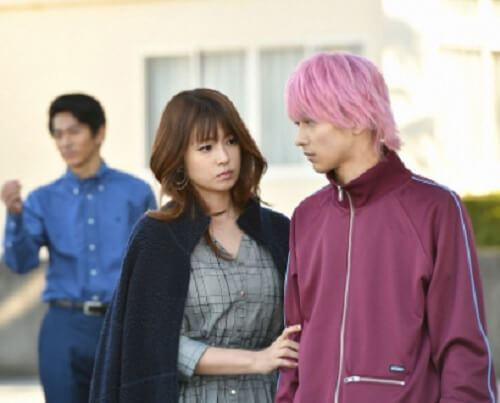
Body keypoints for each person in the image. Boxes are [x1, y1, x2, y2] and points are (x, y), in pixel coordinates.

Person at [275, 53, 497, 403]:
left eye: (310, 122)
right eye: (297, 124)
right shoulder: (306, 216)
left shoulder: (434, 210)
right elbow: (294, 346)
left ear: (355, 118)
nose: (299, 139)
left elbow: (463, 348)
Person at [89, 88, 298, 403]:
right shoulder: (158, 236)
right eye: (206, 147)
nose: (223, 157)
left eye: (231, 141)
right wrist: (257, 360)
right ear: (179, 158)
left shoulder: (278, 231)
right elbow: (150, 343)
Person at [1, 93, 156, 403]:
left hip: (121, 323)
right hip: (64, 326)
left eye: (74, 131)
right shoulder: (42, 199)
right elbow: (20, 263)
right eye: (58, 134)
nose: (65, 142)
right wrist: (15, 217)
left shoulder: (136, 193)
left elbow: (153, 264)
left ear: (99, 133)